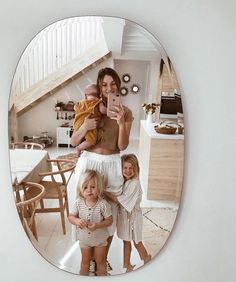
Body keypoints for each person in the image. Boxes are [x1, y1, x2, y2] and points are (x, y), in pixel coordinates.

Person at [70, 67, 133, 271]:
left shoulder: (126, 112)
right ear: (99, 86)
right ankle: (88, 259)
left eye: (113, 84)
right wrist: (85, 127)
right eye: (104, 84)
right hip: (89, 162)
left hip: (112, 164)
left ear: (118, 85)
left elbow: (122, 146)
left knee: (109, 213)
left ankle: (101, 259)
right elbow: (73, 141)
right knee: (86, 206)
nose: (108, 88)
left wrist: (121, 123)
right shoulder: (90, 108)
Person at [105, 154, 151, 272]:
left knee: (137, 242)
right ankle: (127, 265)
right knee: (126, 240)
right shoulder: (125, 182)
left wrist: (104, 192)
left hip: (134, 218)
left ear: (136, 169)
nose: (128, 171)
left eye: (131, 168)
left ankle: (146, 259)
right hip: (125, 217)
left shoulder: (134, 183)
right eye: (125, 168)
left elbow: (118, 200)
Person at [68, 170, 113, 276]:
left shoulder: (103, 204)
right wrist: (77, 221)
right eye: (85, 187)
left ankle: (101, 276)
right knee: (85, 262)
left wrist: (97, 225)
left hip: (100, 240)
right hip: (84, 240)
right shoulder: (78, 202)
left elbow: (109, 220)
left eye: (93, 187)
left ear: (99, 188)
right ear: (81, 189)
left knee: (100, 262)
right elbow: (70, 217)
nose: (89, 190)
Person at [73, 84, 107, 156]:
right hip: (91, 123)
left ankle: (81, 146)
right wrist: (110, 110)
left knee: (86, 138)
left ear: (86, 94)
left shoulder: (81, 103)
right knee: (91, 140)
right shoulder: (98, 102)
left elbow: (75, 108)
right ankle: (79, 148)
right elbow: (103, 110)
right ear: (99, 94)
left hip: (78, 123)